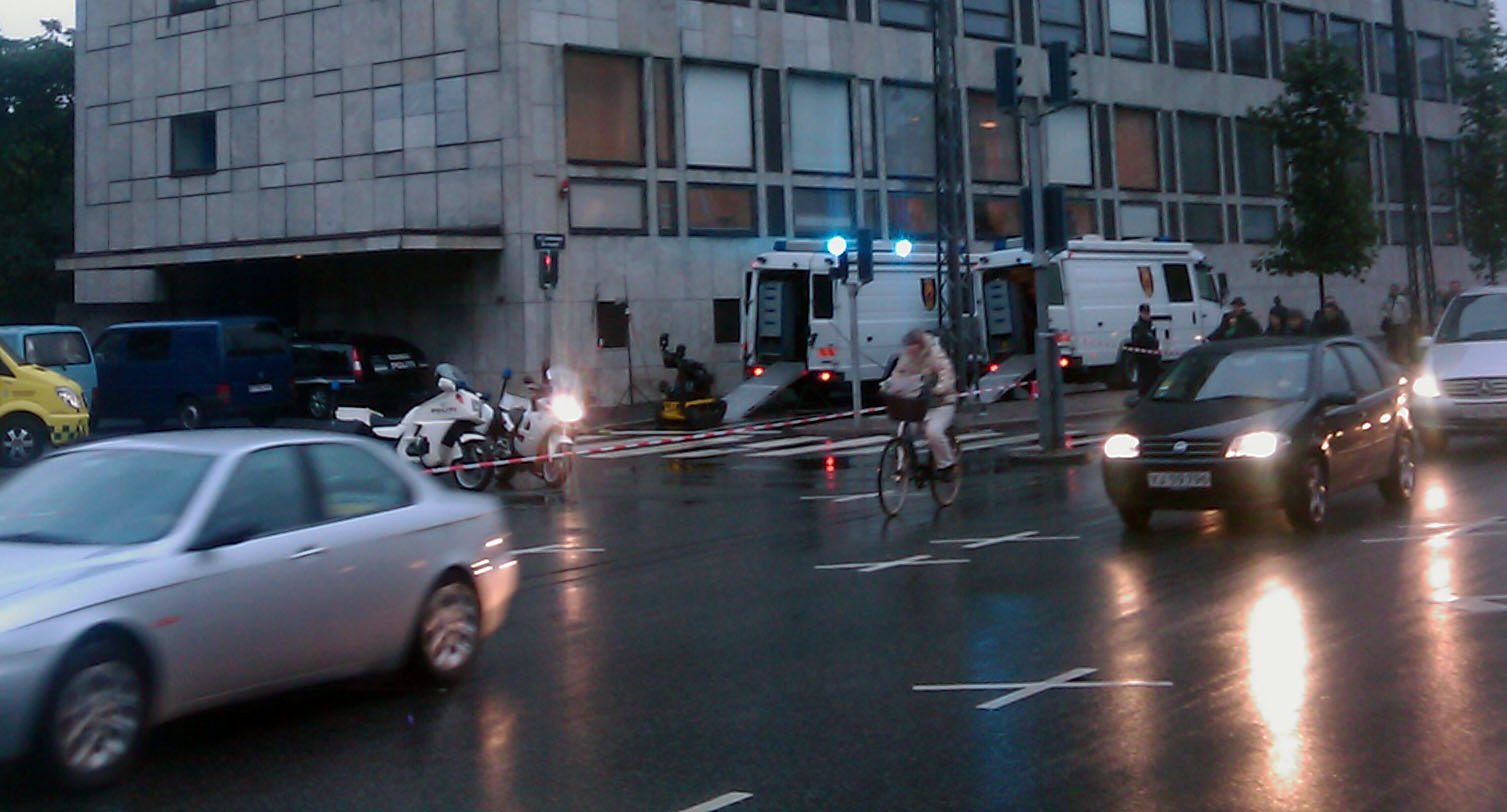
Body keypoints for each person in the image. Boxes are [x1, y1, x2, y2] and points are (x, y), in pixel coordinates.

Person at [883, 329, 958, 478]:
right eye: (908, 347)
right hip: (918, 404)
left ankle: (947, 465)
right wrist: (888, 386)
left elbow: (947, 374)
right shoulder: (906, 357)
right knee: (904, 429)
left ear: (920, 345)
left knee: (933, 432)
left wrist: (938, 389)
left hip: (941, 403)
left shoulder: (935, 354)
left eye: (913, 346)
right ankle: (902, 466)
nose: (910, 351)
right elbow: (898, 374)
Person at [1127, 303, 1161, 396]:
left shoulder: (1150, 326)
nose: (1146, 315)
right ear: (1140, 313)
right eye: (1144, 313)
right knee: (1144, 382)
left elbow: (1154, 340)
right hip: (1144, 360)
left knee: (1153, 382)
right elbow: (1138, 343)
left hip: (1153, 359)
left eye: (1147, 313)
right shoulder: (1138, 327)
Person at [1380, 283, 1413, 363]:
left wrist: (1406, 321)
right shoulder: (1387, 300)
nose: (1393, 291)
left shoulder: (1402, 300)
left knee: (1400, 342)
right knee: (1391, 343)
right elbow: (1382, 309)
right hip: (1391, 324)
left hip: (1400, 324)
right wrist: (1386, 316)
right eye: (1392, 289)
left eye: (1395, 289)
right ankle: (1393, 357)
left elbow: (1407, 311)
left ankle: (1400, 358)